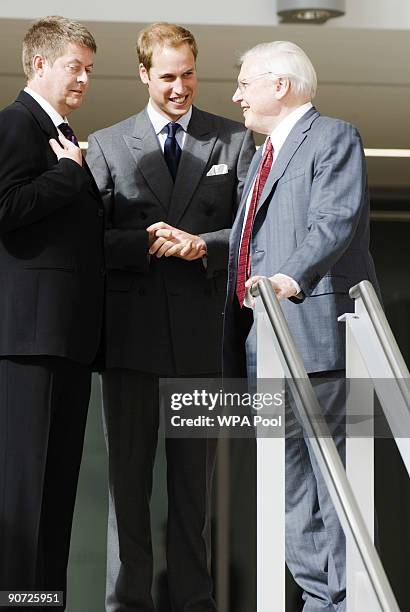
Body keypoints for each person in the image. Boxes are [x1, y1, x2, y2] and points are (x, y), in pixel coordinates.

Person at [87, 21, 255, 612]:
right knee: (126, 489)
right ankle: (125, 603)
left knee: (194, 494)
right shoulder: (107, 144)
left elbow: (253, 233)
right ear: (143, 75)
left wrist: (200, 244)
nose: (180, 87)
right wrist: (146, 242)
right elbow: (88, 241)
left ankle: (193, 604)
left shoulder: (233, 141)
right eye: (167, 77)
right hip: (129, 344)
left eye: (188, 74)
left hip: (205, 342)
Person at [223, 41, 379, 611]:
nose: (236, 94)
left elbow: (332, 221)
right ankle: (317, 599)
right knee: (290, 491)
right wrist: (201, 245)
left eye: (244, 82)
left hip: (319, 339)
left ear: (280, 85)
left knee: (335, 489)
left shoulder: (333, 136)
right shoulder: (257, 155)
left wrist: (290, 277)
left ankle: (345, 602)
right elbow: (252, 242)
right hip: (267, 347)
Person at [0, 15, 104, 609]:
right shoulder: (16, 125)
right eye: (75, 66)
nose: (85, 79)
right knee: (23, 496)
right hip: (28, 341)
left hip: (64, 341)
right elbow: (5, 206)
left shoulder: (62, 135)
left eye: (89, 69)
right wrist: (68, 176)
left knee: (55, 494)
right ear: (40, 64)